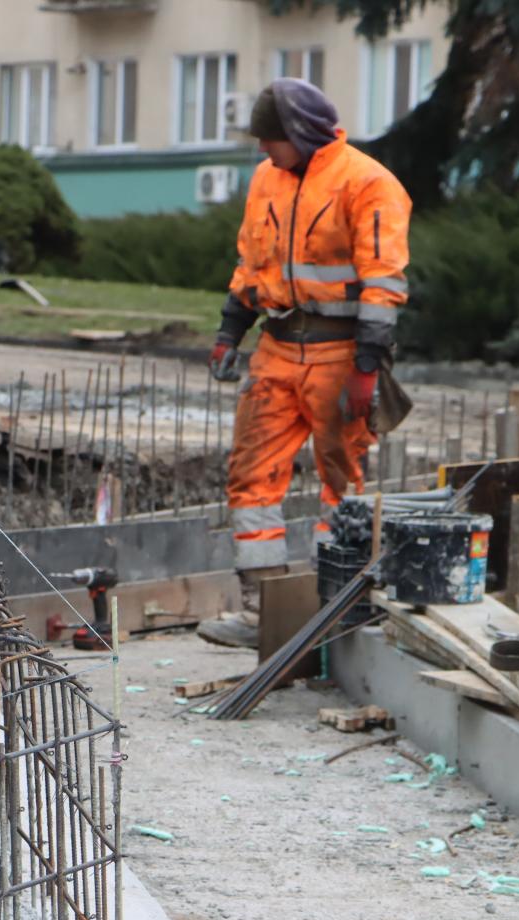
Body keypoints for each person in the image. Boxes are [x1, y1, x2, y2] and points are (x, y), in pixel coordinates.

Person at [196, 78, 412, 649]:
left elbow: (383, 280)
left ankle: (333, 606)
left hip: (340, 353)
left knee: (342, 480)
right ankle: (263, 610)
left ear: (302, 134)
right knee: (251, 475)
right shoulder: (268, 178)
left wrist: (368, 366)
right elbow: (252, 263)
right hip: (277, 346)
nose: (264, 151)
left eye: (272, 140)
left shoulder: (367, 183)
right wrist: (229, 331)